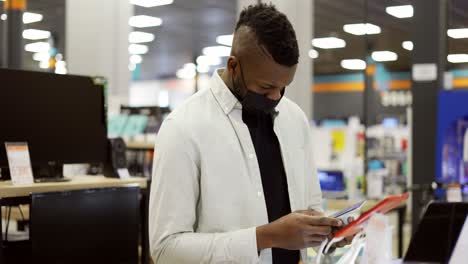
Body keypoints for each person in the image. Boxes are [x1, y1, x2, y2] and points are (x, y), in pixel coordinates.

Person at [149, 3, 351, 263]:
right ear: (233, 66)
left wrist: (330, 235)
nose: (276, 97)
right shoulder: (183, 128)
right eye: (266, 88)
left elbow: (311, 212)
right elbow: (166, 249)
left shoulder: (294, 119)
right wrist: (264, 237)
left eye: (283, 87)